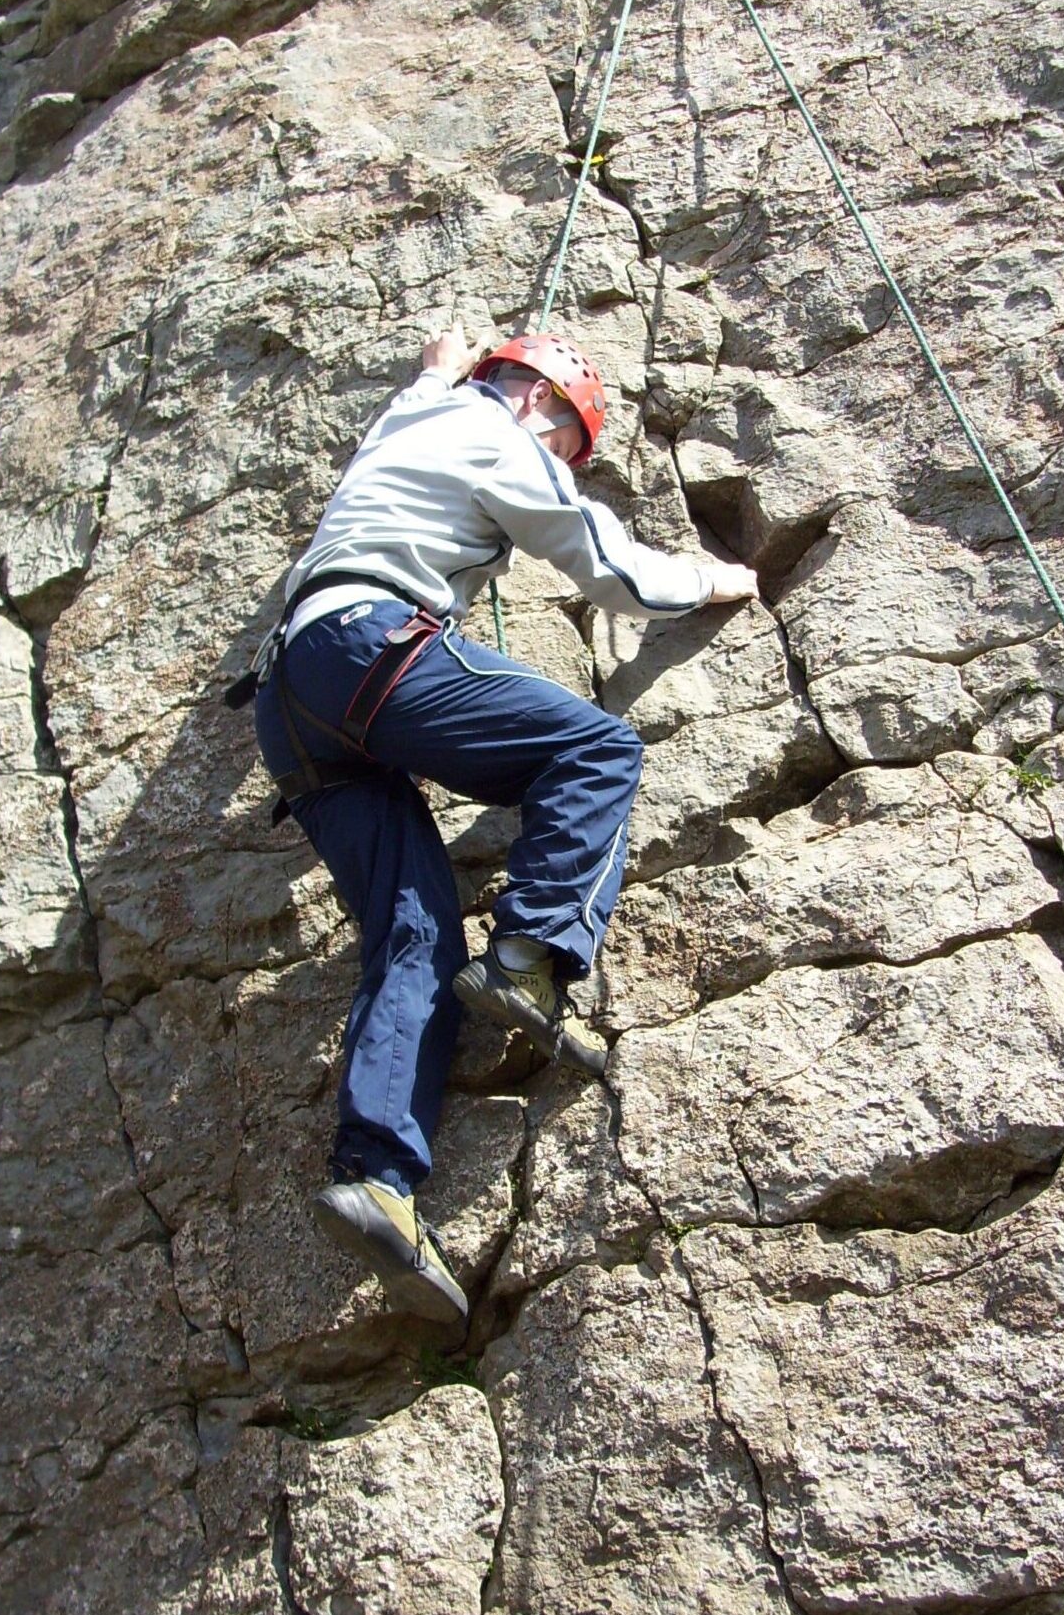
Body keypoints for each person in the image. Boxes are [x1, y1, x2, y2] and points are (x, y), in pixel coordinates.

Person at [251, 322, 759, 1325]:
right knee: (596, 751)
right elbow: (604, 564)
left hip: (291, 705)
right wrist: (711, 578)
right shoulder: (494, 430)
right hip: (374, 649)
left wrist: (436, 370)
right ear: (536, 401)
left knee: (414, 930)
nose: (563, 463)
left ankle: (377, 1180)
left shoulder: (415, 419)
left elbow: (415, 399)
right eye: (568, 444)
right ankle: (527, 957)